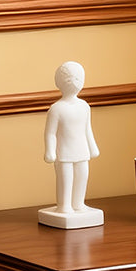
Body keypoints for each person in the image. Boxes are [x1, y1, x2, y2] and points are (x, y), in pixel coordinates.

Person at [43, 61, 100, 215]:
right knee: (65, 179)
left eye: (78, 78)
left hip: (82, 150)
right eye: (69, 78)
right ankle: (64, 205)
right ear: (59, 83)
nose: (74, 82)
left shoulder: (84, 106)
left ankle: (78, 203)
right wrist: (50, 151)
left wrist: (93, 147)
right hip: (64, 153)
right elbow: (50, 133)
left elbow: (87, 128)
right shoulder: (56, 109)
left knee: (82, 176)